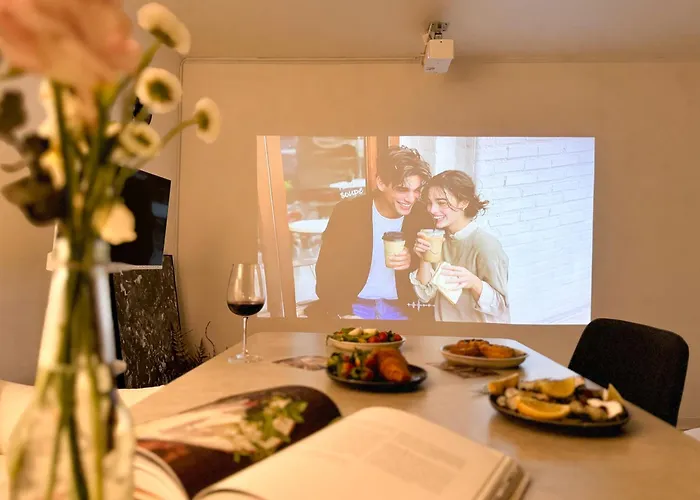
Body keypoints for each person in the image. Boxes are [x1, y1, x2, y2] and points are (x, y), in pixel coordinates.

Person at [311, 145, 433, 319]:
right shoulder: (348, 213)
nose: (411, 198)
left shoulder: (422, 216)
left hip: (403, 310)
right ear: (381, 183)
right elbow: (326, 270)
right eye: (402, 189)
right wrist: (342, 312)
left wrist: (412, 259)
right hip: (354, 307)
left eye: (417, 191)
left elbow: (431, 271)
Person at [411, 170, 510, 323]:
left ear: (464, 202)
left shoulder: (486, 246)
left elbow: (500, 307)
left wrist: (474, 283)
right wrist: (424, 260)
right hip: (445, 332)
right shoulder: (438, 239)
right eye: (430, 203)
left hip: (477, 336)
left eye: (441, 203)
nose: (432, 210)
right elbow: (425, 295)